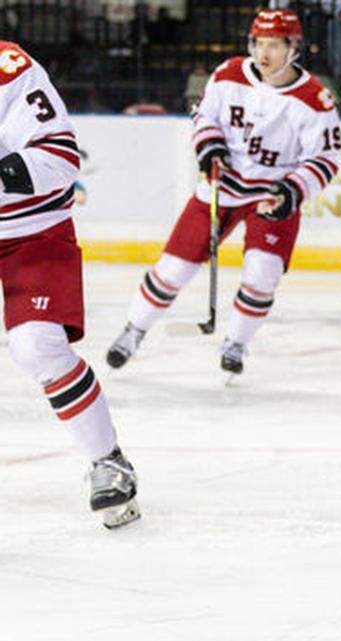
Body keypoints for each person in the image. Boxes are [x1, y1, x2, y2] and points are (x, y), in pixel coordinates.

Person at [105, 9, 341, 375]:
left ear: (293, 47)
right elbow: (204, 115)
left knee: (262, 274)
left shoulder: (314, 99)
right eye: (258, 43)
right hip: (221, 186)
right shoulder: (229, 74)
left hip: (271, 196)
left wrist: (292, 191)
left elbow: (325, 158)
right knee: (173, 270)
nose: (263, 53)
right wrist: (210, 147)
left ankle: (236, 342)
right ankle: (133, 330)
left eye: (274, 45)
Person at [0, 40, 140, 529]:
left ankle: (109, 461)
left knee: (37, 346)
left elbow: (59, 155)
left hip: (30, 232)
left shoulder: (8, 67)